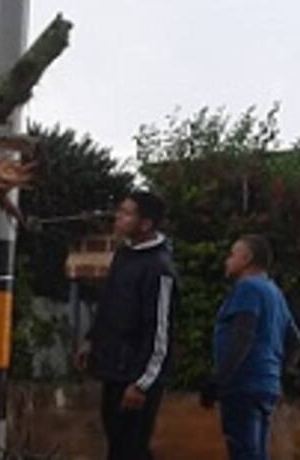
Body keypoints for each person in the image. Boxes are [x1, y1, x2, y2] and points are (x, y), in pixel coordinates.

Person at [75, 190, 178, 460]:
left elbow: (160, 332)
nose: (118, 217)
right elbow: (109, 304)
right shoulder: (124, 255)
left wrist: (142, 382)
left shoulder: (159, 269)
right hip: (113, 370)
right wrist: (92, 339)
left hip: (135, 377)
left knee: (130, 447)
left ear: (145, 224)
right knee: (118, 444)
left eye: (127, 213)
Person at [199, 234, 300, 460]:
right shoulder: (274, 293)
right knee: (256, 452)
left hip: (242, 385)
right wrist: (276, 373)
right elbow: (296, 343)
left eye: (232, 254)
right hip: (266, 386)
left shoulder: (248, 288)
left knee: (244, 452)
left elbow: (243, 335)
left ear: (246, 258)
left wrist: (218, 380)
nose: (227, 260)